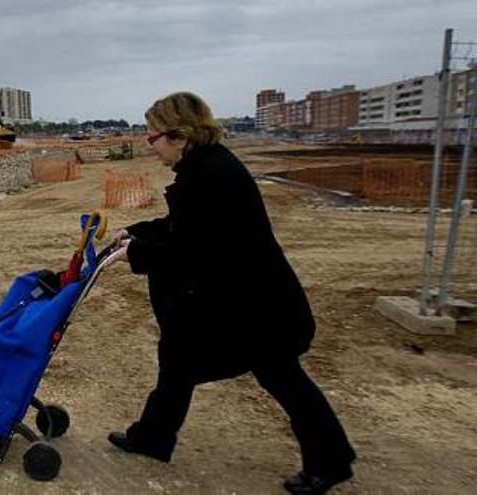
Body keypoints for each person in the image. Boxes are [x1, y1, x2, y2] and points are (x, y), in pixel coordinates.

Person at [104, 92, 356, 494]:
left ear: (179, 136)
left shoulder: (210, 175)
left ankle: (330, 462)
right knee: (177, 360)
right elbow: (184, 226)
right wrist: (137, 231)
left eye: (152, 138)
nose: (148, 146)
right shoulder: (205, 168)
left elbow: (191, 249)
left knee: (282, 377)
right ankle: (153, 437)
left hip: (258, 307)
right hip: (239, 299)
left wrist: (135, 252)